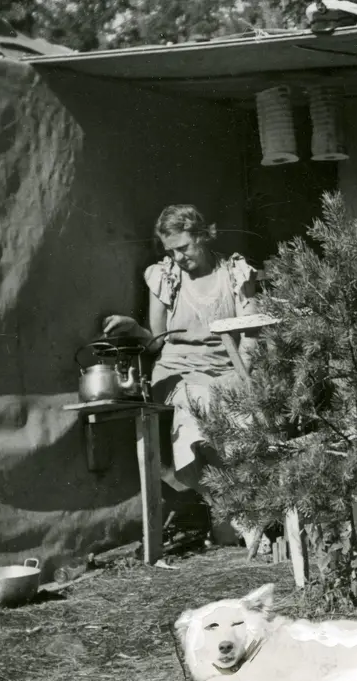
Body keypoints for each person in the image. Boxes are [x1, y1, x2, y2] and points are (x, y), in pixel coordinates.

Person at [101, 204, 262, 547]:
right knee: (197, 413)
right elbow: (156, 341)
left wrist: (241, 374)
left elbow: (252, 334)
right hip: (179, 371)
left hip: (229, 368)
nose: (178, 257)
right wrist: (132, 327)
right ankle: (241, 517)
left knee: (241, 421)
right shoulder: (165, 276)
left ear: (203, 236)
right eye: (171, 250)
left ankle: (242, 515)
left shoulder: (234, 272)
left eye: (184, 248)